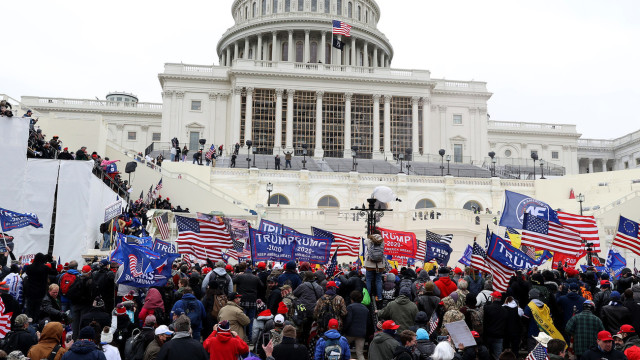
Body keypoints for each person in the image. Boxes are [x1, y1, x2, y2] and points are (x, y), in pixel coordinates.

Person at [343, 291, 369, 360]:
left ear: (352, 299)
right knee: (360, 353)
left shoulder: (350, 307)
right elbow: (368, 322)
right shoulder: (366, 309)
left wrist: (344, 330)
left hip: (350, 333)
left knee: (345, 349)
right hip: (362, 334)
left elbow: (348, 320)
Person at [483, 291, 507, 359]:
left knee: (486, 355)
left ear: (493, 298)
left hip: (488, 335)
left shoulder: (487, 308)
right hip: (499, 336)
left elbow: (485, 322)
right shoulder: (504, 310)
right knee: (498, 356)